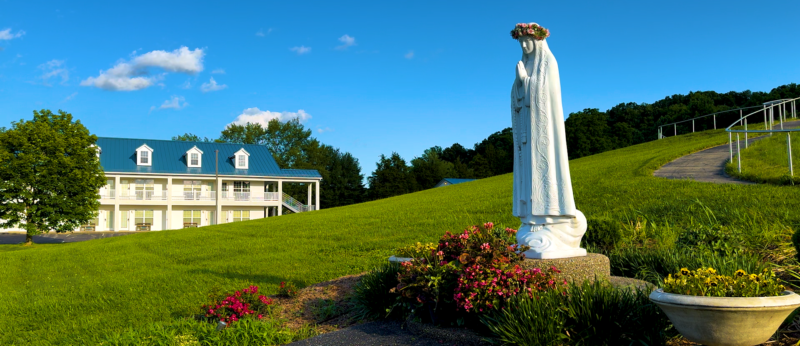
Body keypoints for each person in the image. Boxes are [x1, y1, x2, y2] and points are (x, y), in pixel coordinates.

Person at [510, 23, 587, 259]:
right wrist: (520, 84)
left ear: (538, 41)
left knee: (544, 172)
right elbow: (517, 98)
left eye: (528, 41)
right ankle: (532, 219)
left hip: (543, 133)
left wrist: (528, 82)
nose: (524, 45)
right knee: (527, 175)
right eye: (521, 42)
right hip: (526, 132)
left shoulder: (548, 63)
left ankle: (550, 220)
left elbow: (547, 93)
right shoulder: (525, 64)